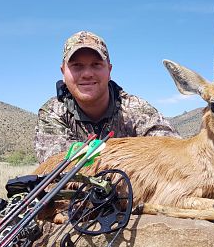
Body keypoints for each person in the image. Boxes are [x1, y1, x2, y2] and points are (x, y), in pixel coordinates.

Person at [34, 31, 180, 163]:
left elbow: (172, 153)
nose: (87, 74)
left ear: (109, 70)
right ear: (63, 72)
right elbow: (56, 164)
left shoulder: (138, 109)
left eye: (96, 64)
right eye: (77, 66)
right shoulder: (53, 113)